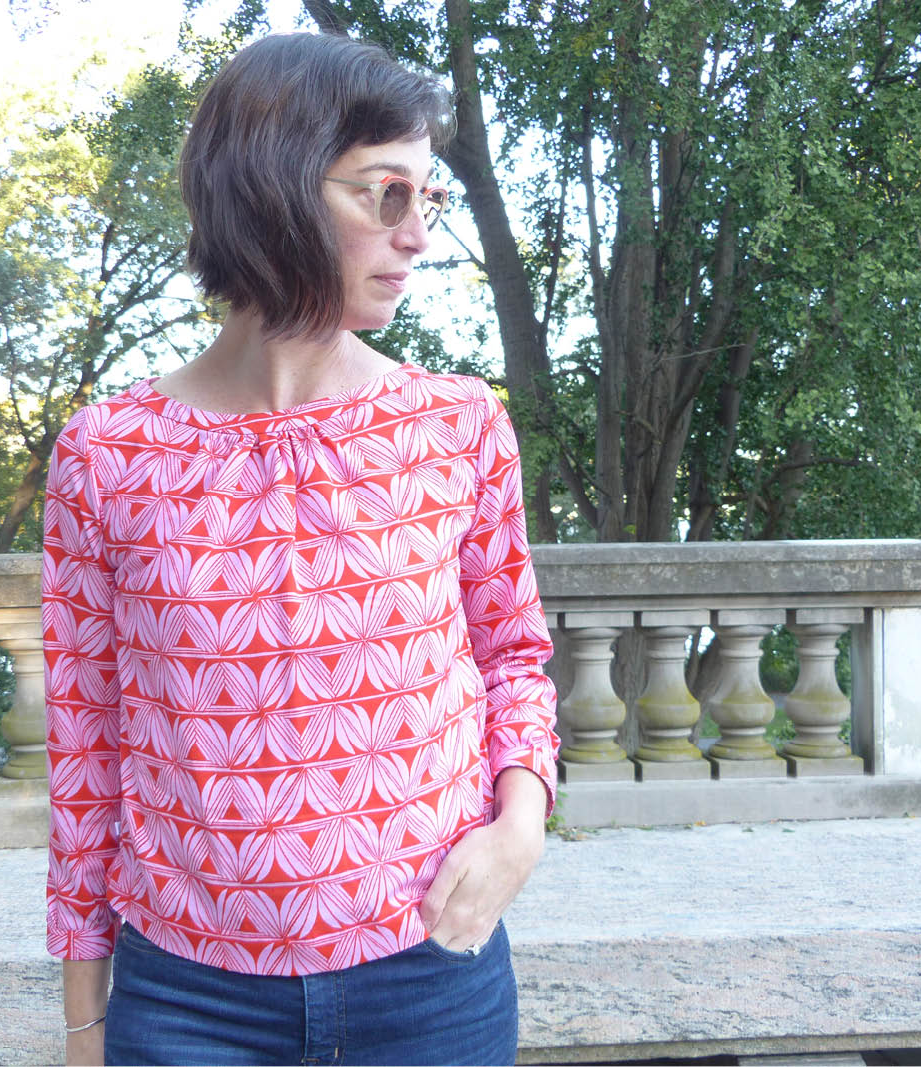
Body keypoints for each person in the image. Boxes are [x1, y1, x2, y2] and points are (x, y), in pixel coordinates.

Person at [42, 31, 558, 1067]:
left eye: (429, 197)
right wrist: (85, 1019)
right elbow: (86, 752)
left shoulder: (454, 425)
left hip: (431, 977)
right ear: (272, 184)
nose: (420, 234)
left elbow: (513, 658)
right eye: (387, 193)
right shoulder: (108, 455)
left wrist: (520, 824)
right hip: (185, 1002)